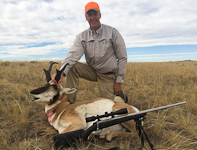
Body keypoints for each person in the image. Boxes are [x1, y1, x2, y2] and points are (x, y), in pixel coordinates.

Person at [51, 2, 128, 104]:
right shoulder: (81, 37)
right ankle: (68, 103)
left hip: (107, 74)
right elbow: (73, 55)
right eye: (89, 15)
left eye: (95, 14)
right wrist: (61, 72)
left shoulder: (112, 32)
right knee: (73, 67)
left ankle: (122, 97)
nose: (93, 17)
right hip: (92, 70)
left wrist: (119, 81)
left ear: (100, 15)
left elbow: (122, 57)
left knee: (109, 105)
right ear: (86, 17)